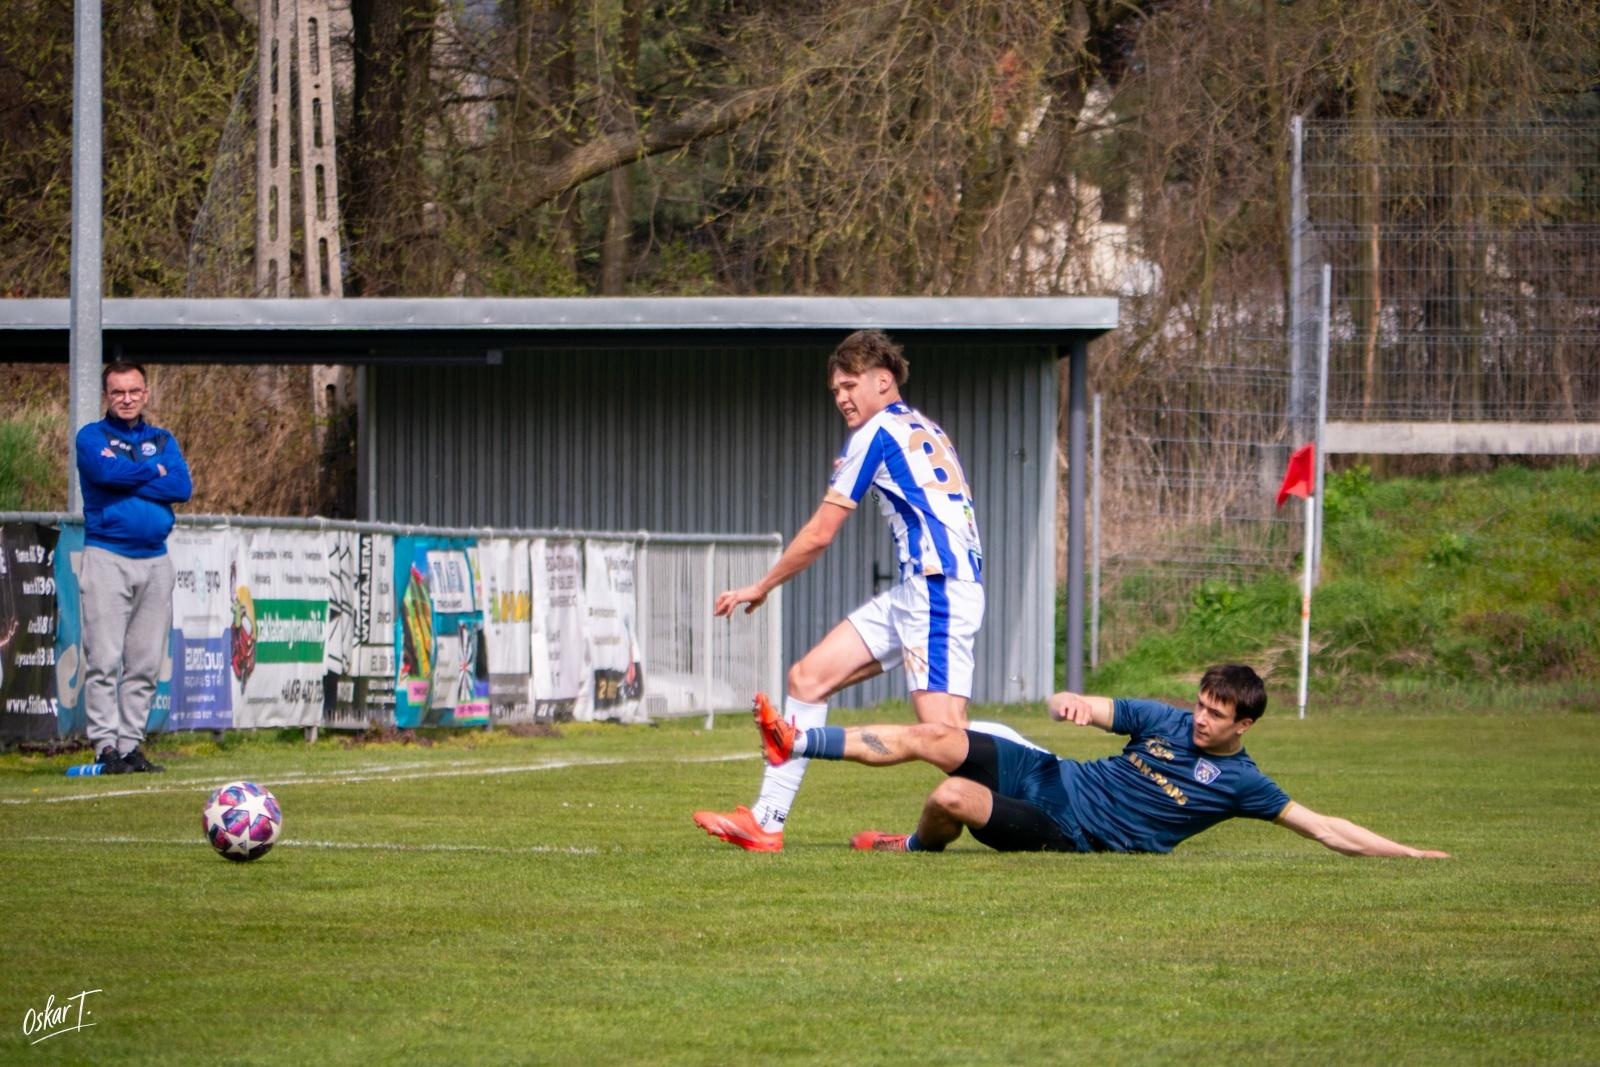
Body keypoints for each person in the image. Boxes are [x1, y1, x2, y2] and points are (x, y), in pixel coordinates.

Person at [694, 329, 1026, 852]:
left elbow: (821, 533)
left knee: (944, 736)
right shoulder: (921, 427)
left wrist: (761, 586)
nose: (843, 397)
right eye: (835, 391)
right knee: (808, 677)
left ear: (883, 381)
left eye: (851, 385)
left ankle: (1052, 779)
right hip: (926, 590)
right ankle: (767, 821)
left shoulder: (875, 434)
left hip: (937, 592)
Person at [751, 663, 1451, 859]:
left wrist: (1410, 851)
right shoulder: (1167, 718)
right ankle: (798, 740)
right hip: (1051, 771)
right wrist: (1072, 702)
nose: (1200, 717)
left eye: (1216, 713)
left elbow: (1325, 826)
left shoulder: (1243, 783)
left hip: (1070, 829)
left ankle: (911, 844)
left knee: (953, 798)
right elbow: (1093, 702)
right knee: (937, 735)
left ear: (1246, 722)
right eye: (1200, 704)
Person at [74, 360, 192, 774]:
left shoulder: (162, 439)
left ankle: (130, 746)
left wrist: (133, 474)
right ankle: (105, 748)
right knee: (104, 659)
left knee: (143, 663)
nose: (126, 398)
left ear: (146, 393)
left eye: (134, 391)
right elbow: (104, 471)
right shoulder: (92, 436)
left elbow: (181, 487)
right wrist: (152, 472)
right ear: (107, 396)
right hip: (107, 556)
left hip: (156, 560)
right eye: (118, 392)